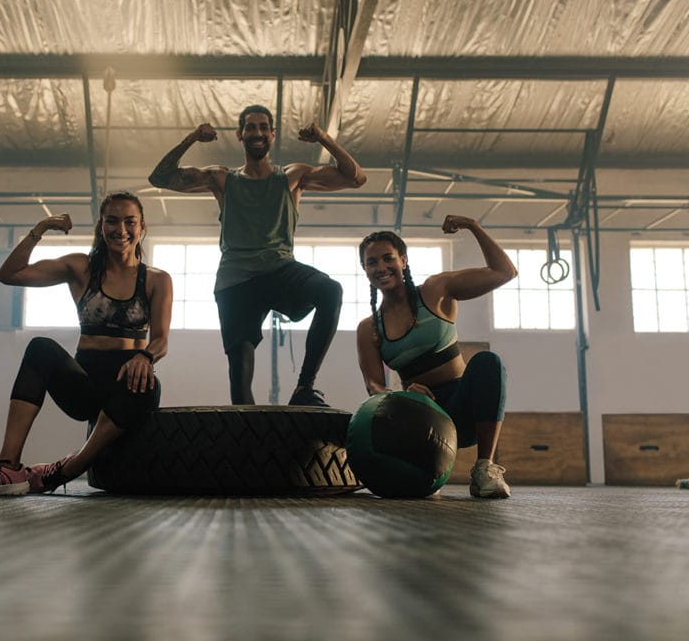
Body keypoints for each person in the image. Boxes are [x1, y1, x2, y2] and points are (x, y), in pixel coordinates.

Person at [0, 191, 173, 496]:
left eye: (129, 222)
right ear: (101, 226)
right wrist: (38, 230)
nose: (120, 230)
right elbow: (9, 274)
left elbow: (161, 339)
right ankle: (7, 468)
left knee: (151, 386)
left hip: (126, 385)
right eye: (111, 221)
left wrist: (145, 356)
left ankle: (70, 467)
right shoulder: (81, 267)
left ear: (142, 227)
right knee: (40, 347)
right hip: (84, 385)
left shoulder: (157, 279)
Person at [148, 104, 367, 406]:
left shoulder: (292, 177)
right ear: (240, 135)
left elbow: (356, 178)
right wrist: (192, 138)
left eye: (264, 127)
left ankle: (304, 388)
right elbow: (159, 178)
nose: (258, 132)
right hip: (236, 280)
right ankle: (244, 438)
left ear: (272, 135)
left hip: (281, 270)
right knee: (240, 373)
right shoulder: (222, 179)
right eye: (250, 127)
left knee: (331, 291)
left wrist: (323, 138)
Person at [356, 217, 517, 498]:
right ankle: (423, 471)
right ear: (365, 270)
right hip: (422, 417)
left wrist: (473, 226)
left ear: (403, 261)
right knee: (386, 409)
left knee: (487, 362)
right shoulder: (369, 328)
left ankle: (484, 469)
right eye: (372, 262)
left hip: (464, 410)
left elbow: (504, 272)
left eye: (387, 258)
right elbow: (374, 387)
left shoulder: (436, 291)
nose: (381, 267)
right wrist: (401, 396)